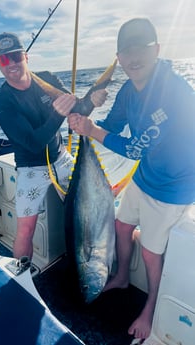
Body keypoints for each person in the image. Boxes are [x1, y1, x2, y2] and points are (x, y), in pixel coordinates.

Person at [68, 18, 195, 341]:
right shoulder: (128, 89)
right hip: (147, 176)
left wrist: (91, 131)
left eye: (142, 48)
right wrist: (89, 114)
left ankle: (151, 307)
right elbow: (113, 123)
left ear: (156, 50)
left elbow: (136, 148)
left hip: (174, 186)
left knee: (152, 252)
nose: (134, 57)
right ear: (119, 58)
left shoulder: (172, 91)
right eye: (127, 51)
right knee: (122, 226)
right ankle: (123, 276)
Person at [0, 32, 107, 261]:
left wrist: (93, 100)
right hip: (30, 169)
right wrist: (57, 114)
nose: (11, 64)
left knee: (96, 212)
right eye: (4, 59)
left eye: (15, 56)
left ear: (26, 56)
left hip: (63, 160)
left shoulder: (47, 80)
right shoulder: (2, 101)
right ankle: (21, 279)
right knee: (25, 230)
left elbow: (78, 109)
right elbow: (33, 143)